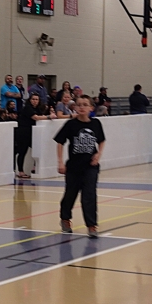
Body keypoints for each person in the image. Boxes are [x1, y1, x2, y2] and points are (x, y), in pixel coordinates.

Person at [54, 94, 106, 238]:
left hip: (90, 166)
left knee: (89, 195)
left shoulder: (96, 123)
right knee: (70, 194)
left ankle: (91, 225)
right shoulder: (71, 124)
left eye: (85, 104)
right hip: (73, 167)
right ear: (75, 107)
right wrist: (60, 162)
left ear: (91, 108)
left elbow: (101, 140)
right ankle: (65, 219)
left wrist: (98, 154)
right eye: (79, 105)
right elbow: (60, 142)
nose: (82, 107)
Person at [15, 93, 56, 179]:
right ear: (30, 100)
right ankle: (20, 171)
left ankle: (34, 167)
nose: (35, 101)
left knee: (37, 149)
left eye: (36, 99)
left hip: (32, 132)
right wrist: (49, 117)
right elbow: (36, 117)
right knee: (22, 151)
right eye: (33, 99)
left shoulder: (38, 109)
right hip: (23, 132)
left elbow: (40, 116)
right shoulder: (27, 108)